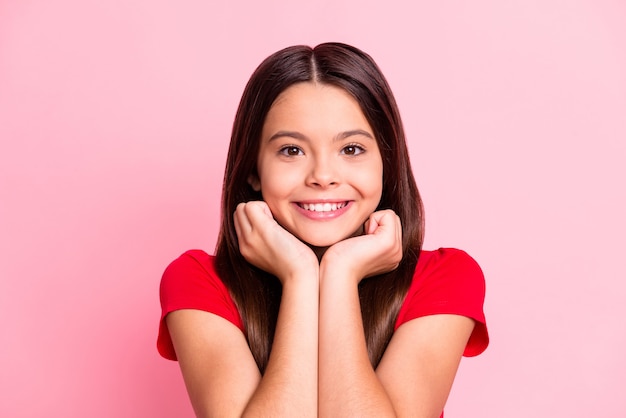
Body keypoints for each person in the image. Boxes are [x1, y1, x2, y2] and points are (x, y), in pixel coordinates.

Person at [157, 42, 488, 418]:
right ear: (253, 169)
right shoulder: (197, 282)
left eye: (351, 149)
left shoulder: (446, 278)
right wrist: (300, 276)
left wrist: (340, 272)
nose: (323, 177)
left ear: (386, 161)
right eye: (291, 151)